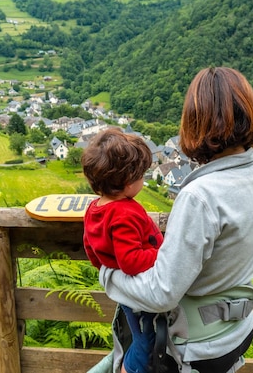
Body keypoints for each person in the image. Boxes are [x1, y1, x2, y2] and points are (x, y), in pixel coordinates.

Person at [98, 67, 253, 373]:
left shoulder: (201, 196)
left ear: (195, 121)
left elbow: (161, 294)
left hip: (194, 347)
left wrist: (107, 275)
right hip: (236, 331)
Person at [82, 127, 165, 373]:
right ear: (128, 182)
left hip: (125, 290)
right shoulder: (123, 214)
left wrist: (107, 267)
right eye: (142, 175)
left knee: (140, 335)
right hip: (139, 290)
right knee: (146, 340)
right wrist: (165, 254)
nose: (144, 179)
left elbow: (90, 247)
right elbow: (131, 261)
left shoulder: (96, 208)